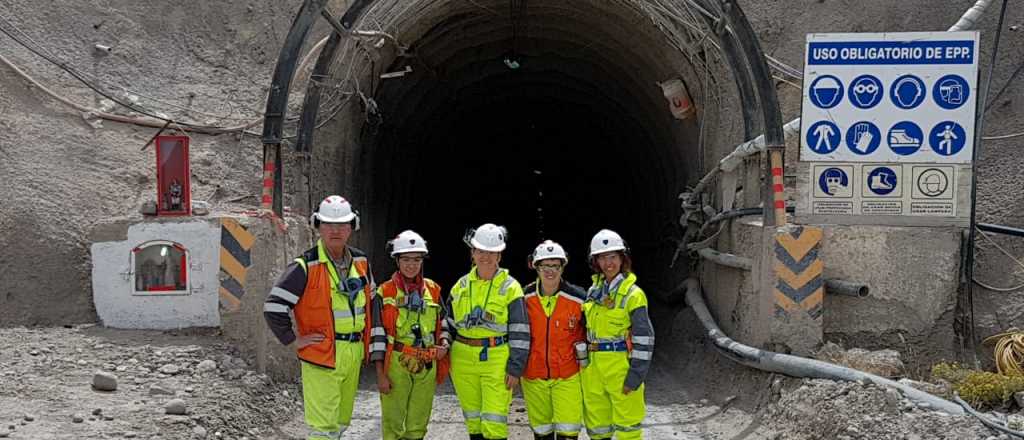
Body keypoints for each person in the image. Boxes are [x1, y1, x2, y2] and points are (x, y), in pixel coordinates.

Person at [263, 195, 386, 440]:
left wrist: (372, 350)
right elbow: (274, 306)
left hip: (352, 353)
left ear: (353, 227)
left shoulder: (361, 262)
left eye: (342, 225)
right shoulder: (305, 266)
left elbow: (373, 304)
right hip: (322, 355)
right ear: (317, 226)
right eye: (329, 224)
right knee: (323, 428)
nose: (336, 231)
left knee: (341, 421)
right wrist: (293, 339)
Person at [447, 223, 530, 440]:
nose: (486, 257)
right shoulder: (460, 286)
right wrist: (444, 345)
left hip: (496, 359)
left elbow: (521, 331)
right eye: (481, 251)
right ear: (472, 253)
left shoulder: (511, 287)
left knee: (494, 422)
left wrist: (515, 368)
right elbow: (447, 323)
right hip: (463, 359)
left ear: (499, 256)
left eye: (491, 252)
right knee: (473, 422)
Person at [372, 230, 451, 440]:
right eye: (405, 259)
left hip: (426, 363)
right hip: (397, 363)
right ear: (396, 260)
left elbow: (444, 321)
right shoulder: (385, 292)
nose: (411, 265)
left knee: (418, 424)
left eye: (416, 260)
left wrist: (444, 342)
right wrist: (380, 374)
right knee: (393, 424)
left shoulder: (433, 290)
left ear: (422, 261)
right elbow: (377, 335)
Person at [581, 229, 654, 440]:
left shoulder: (634, 295)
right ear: (595, 261)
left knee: (627, 431)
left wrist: (635, 376)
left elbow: (644, 339)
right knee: (597, 430)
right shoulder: (593, 291)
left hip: (620, 369)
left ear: (623, 258)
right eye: (602, 257)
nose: (608, 263)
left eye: (613, 256)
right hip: (593, 370)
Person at [521, 240, 587, 440]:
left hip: (567, 376)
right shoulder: (523, 298)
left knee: (568, 432)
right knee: (542, 433)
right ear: (535, 266)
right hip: (533, 377)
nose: (550, 271)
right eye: (544, 265)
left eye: (555, 266)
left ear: (562, 267)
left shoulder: (579, 299)